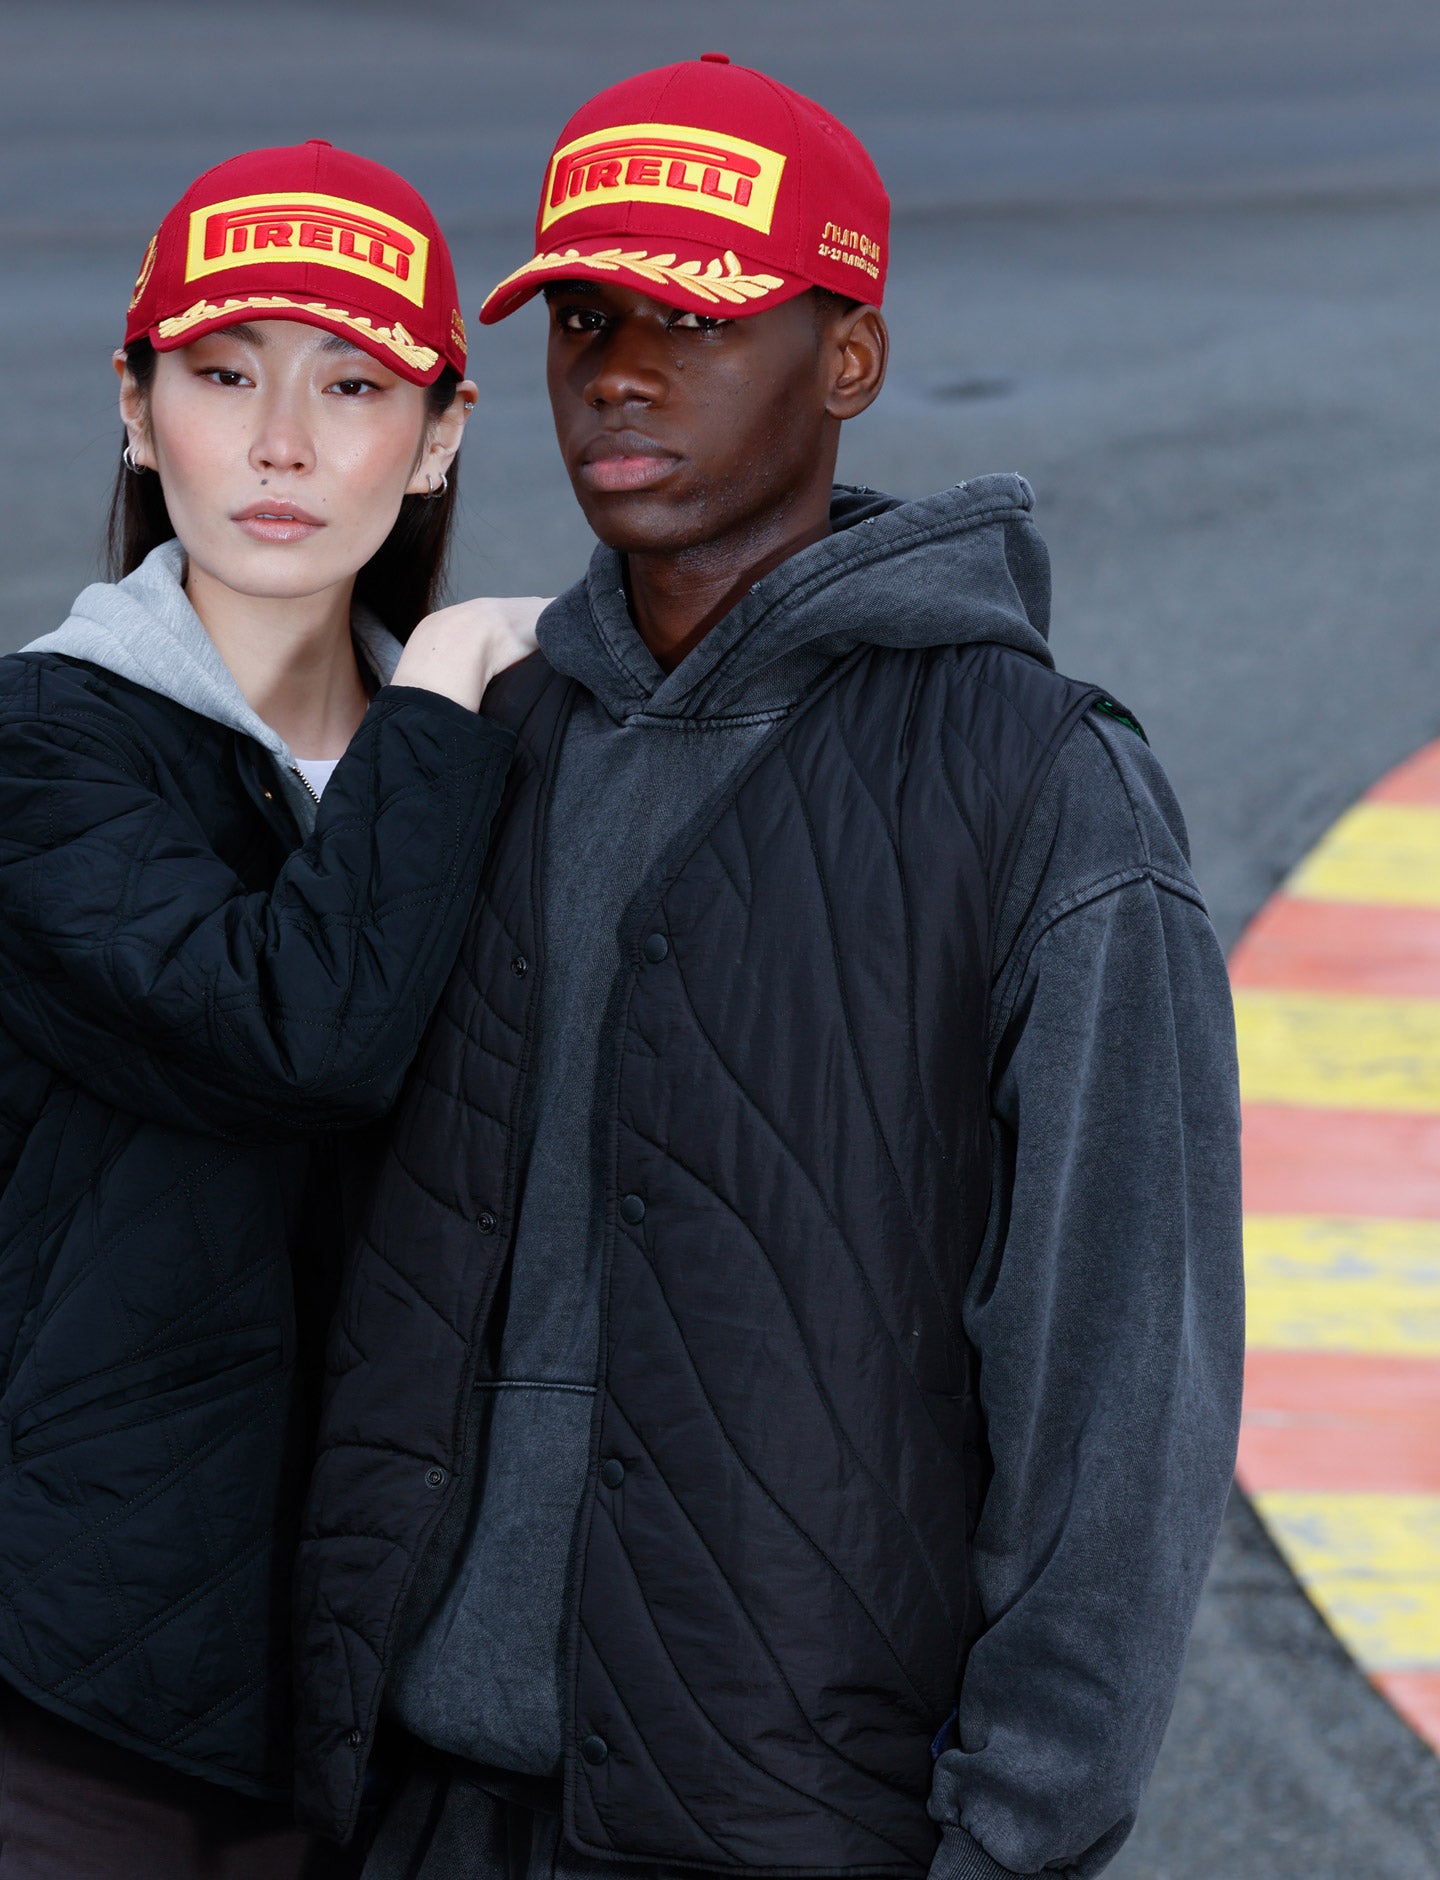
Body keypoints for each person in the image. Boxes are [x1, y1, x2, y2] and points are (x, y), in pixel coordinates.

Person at [296, 58, 1245, 1880]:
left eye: (695, 319)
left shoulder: (1041, 786)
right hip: (410, 1806)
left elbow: (1120, 1391)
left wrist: (1019, 1841)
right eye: (584, 317)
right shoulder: (490, 743)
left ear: (852, 362)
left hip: (786, 1829)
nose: (620, 370)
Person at [0, 140, 539, 1876]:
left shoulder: (473, 775)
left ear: (440, 433)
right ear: (140, 414)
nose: (285, 445)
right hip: (76, 1693)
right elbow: (298, 1029)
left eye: (353, 384)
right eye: (224, 379)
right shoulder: (45, 751)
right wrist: (448, 681)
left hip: (379, 1687)